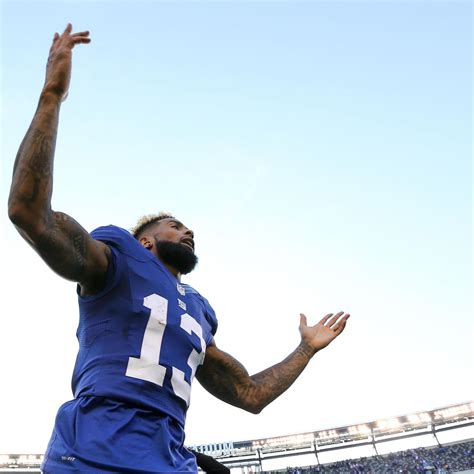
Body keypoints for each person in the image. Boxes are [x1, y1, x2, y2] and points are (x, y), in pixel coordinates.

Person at [8, 24, 351, 473]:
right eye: (175, 226)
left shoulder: (199, 310)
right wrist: (52, 95)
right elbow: (29, 213)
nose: (188, 232)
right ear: (144, 240)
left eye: (190, 228)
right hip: (95, 447)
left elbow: (249, 394)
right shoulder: (117, 257)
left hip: (167, 453)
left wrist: (305, 349)